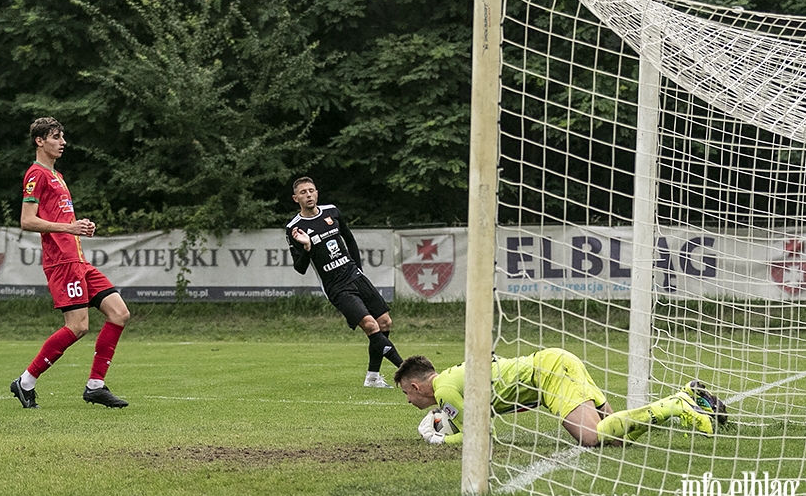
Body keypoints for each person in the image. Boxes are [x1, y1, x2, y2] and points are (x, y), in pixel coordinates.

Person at [10, 117, 131, 409]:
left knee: (119, 313)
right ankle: (25, 382)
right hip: (61, 262)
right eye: (55, 137)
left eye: (62, 136)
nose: (62, 142)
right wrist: (69, 228)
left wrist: (80, 227)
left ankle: (95, 386)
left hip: (77, 259)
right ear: (39, 141)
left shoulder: (57, 175)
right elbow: (26, 221)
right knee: (77, 326)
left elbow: (62, 219)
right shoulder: (36, 174)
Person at [394, 349, 727, 446]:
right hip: (556, 364)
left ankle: (676, 405)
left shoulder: (445, 389)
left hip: (549, 374)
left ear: (415, 386)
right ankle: (684, 399)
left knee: (592, 437)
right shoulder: (450, 383)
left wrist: (441, 442)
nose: (410, 403)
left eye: (407, 396)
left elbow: (481, 436)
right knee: (615, 438)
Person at [286, 176, 403, 388]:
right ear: (296, 198)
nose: (309, 195)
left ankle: (373, 378)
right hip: (336, 286)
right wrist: (306, 247)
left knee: (385, 321)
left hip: (354, 275)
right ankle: (406, 370)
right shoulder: (295, 227)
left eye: (311, 190)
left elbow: (349, 240)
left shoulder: (332, 211)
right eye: (303, 192)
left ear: (317, 193)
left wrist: (358, 268)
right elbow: (300, 268)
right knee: (370, 325)